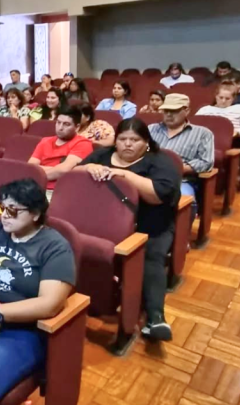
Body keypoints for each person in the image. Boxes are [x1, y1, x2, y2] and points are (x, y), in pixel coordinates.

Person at [0, 179, 75, 405]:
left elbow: (50, 304)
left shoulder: (55, 247)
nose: (5, 216)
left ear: (36, 214)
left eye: (13, 210)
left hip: (15, 329)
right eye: (2, 208)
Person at [76, 118, 181, 340]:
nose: (128, 144)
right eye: (123, 139)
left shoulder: (159, 161)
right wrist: (89, 167)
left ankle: (155, 318)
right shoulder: (103, 155)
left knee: (151, 256)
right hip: (102, 220)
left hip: (148, 224)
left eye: (135, 140)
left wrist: (125, 175)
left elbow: (158, 195)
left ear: (147, 143)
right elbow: (75, 173)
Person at [149, 94, 214, 216]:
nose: (168, 114)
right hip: (148, 177)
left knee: (185, 203)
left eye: (174, 111)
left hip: (180, 181)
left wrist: (177, 168)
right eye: (166, 110)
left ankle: (179, 234)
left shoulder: (202, 133)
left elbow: (206, 162)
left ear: (187, 111)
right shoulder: (151, 129)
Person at [29, 106, 94, 199]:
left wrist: (38, 172)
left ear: (77, 127)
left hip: (59, 192)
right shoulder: (45, 141)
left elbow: (63, 171)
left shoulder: (83, 144)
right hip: (34, 187)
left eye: (66, 124)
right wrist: (55, 169)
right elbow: (31, 167)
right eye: (58, 122)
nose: (60, 127)